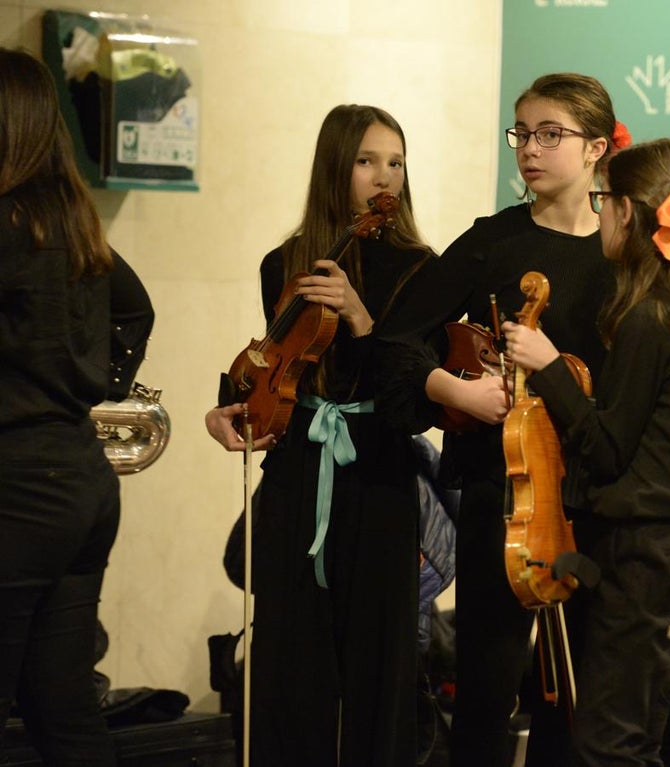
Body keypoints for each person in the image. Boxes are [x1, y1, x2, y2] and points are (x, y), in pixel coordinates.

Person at [406, 72, 629, 767]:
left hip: (590, 493)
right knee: (485, 688)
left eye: (550, 134)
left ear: (596, 147)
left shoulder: (624, 249)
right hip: (500, 488)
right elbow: (400, 339)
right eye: (523, 133)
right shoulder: (493, 241)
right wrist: (459, 391)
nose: (530, 149)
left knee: (573, 697)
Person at [203, 104, 437, 766]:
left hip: (379, 470)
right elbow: (272, 363)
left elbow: (411, 395)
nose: (385, 177)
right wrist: (226, 408)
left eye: (396, 162)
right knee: (289, 657)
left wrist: (362, 318)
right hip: (299, 468)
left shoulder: (422, 267)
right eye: (367, 161)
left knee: (377, 662)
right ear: (336, 167)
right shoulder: (284, 262)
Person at [502, 136, 670, 766]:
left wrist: (548, 366)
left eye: (603, 199)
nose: (598, 212)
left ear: (627, 211)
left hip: (643, 557)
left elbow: (605, 449)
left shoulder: (647, 320)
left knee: (610, 746)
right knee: (633, 737)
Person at [0, 47, 154, 765]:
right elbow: (136, 309)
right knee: (63, 711)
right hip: (81, 483)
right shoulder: (69, 223)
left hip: (17, 488)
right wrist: (96, 381)